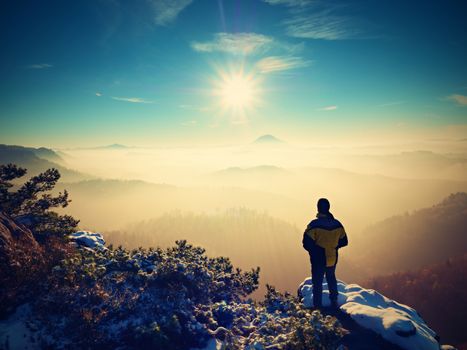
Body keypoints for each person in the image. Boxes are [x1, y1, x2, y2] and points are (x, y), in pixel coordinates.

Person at [302, 198, 348, 308]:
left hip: (319, 260)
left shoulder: (314, 225)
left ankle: (318, 308)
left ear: (318, 208)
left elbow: (306, 242)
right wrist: (333, 247)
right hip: (332, 258)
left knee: (317, 283)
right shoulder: (337, 224)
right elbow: (344, 241)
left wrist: (315, 251)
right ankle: (334, 302)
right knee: (331, 278)